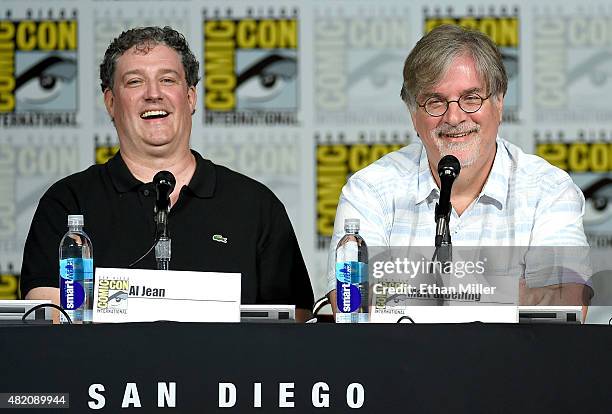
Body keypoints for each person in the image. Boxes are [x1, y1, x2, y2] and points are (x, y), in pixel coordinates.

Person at [20, 26, 314, 321]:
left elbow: (293, 327)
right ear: (111, 103)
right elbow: (49, 326)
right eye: (135, 81)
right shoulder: (68, 202)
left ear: (190, 97)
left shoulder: (254, 205)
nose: (153, 94)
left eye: (167, 80)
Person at [327, 24, 592, 313]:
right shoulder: (370, 190)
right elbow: (352, 305)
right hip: (400, 358)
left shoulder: (550, 191)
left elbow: (565, 304)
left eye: (471, 99)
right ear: (413, 115)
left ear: (499, 103)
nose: (454, 117)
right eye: (435, 102)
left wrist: (408, 293)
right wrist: (508, 292)